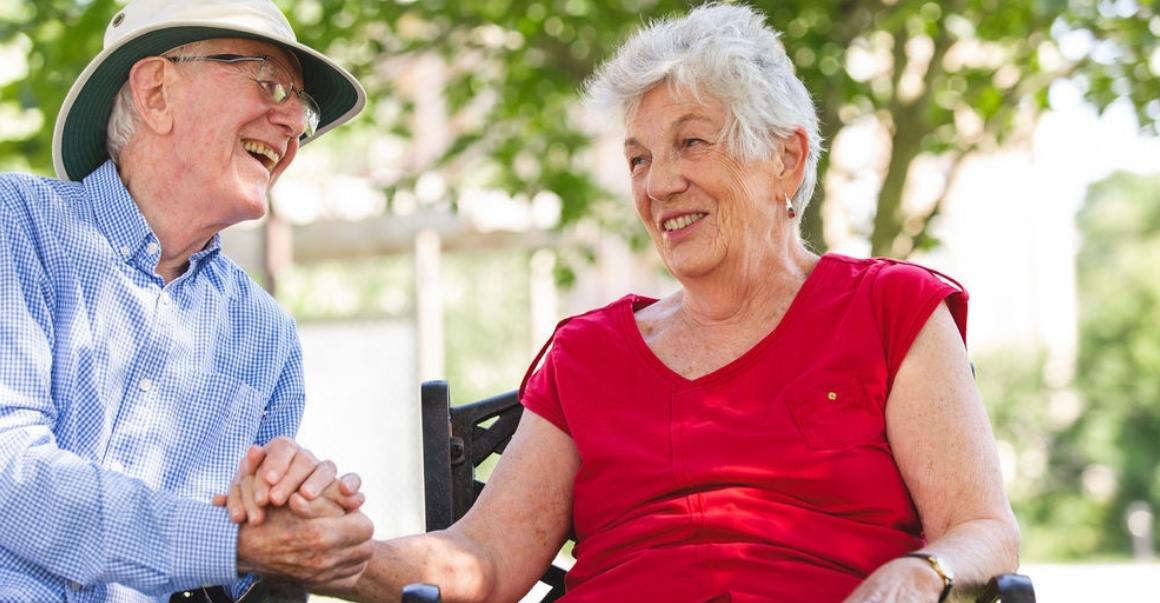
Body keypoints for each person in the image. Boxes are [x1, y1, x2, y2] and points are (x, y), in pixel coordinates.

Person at [234, 4, 1021, 602]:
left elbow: (984, 527)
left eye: (691, 143)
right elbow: (487, 557)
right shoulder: (591, 352)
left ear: (786, 158)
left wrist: (926, 570)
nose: (657, 183)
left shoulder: (890, 311)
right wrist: (329, 547)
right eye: (639, 157)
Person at [0, 0, 376, 600]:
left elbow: (249, 568)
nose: (292, 125)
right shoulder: (14, 223)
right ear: (156, 92)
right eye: (270, 82)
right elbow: (7, 474)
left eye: (299, 109)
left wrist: (296, 509)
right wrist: (229, 541)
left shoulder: (265, 333)